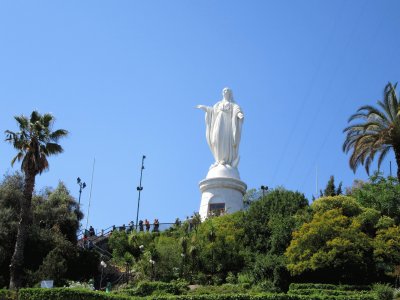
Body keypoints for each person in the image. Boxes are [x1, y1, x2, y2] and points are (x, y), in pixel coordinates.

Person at [197, 87, 244, 168]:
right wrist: (205, 108)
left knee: (225, 140)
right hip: (218, 122)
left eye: (227, 90)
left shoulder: (233, 104)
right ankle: (218, 159)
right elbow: (212, 111)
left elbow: (237, 109)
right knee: (216, 139)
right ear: (222, 93)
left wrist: (239, 114)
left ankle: (224, 159)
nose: (225, 91)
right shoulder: (218, 104)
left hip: (227, 124)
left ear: (230, 93)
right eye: (224, 90)